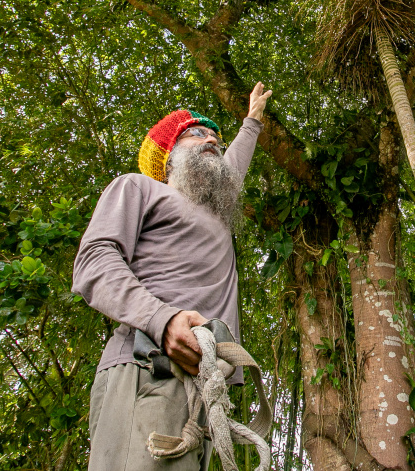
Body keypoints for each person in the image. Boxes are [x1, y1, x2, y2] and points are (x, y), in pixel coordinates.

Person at [73, 83, 272, 470]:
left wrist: (252, 121)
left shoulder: (215, 214)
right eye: (196, 133)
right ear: (167, 156)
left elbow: (234, 165)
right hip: (147, 370)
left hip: (204, 392)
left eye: (216, 135)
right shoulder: (139, 188)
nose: (211, 139)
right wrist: (162, 320)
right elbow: (94, 262)